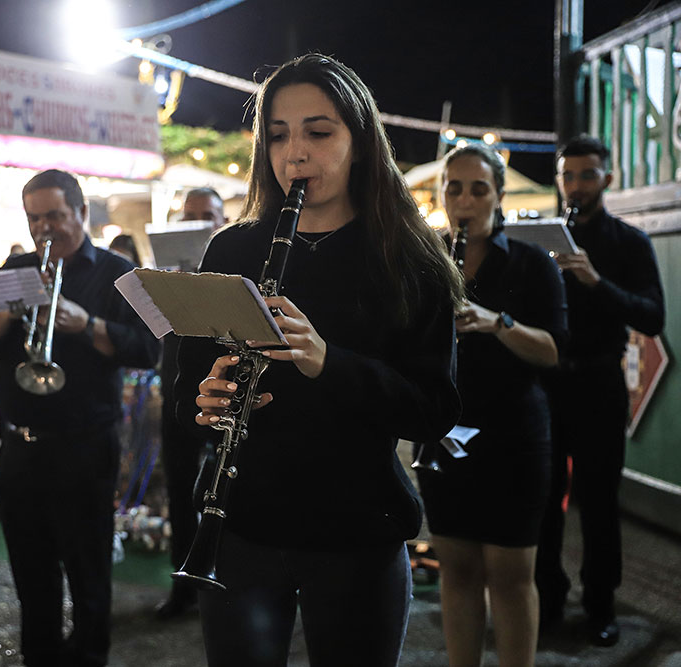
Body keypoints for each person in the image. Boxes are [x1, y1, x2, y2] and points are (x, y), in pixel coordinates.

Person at [173, 53, 464, 666]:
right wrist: (204, 399)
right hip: (244, 527)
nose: (294, 154)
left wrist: (328, 360)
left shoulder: (408, 259)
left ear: (359, 141)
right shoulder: (233, 247)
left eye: (319, 132)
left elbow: (433, 411)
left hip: (357, 530)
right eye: (277, 135)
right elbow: (186, 387)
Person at [0, 168, 159, 666]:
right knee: (31, 574)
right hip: (20, 446)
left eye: (54, 216)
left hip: (86, 445)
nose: (43, 228)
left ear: (82, 213)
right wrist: (6, 313)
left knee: (89, 571)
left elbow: (149, 350)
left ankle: (90, 656)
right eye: (34, 218)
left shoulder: (122, 273)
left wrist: (85, 323)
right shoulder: (15, 267)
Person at [414, 144, 567, 667]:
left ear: (499, 196)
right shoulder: (427, 263)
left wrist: (494, 321)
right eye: (454, 188)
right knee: (456, 572)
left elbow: (551, 352)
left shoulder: (530, 264)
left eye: (479, 189)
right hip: (446, 433)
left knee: (510, 576)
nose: (465, 200)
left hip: (515, 439)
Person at [535, 134, 665, 647]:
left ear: (607, 179)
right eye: (568, 175)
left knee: (598, 501)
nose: (576, 185)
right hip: (548, 384)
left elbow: (652, 317)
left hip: (598, 382)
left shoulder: (630, 243)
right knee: (544, 500)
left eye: (587, 175)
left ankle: (600, 607)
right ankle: (547, 597)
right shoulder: (544, 236)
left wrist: (594, 281)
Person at [154, 187, 229, 621]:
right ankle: (183, 586)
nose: (199, 223)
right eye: (191, 217)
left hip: (225, 396)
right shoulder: (171, 268)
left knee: (226, 494)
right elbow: (157, 333)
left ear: (221, 221)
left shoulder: (238, 264)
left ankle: (225, 583)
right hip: (177, 392)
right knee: (180, 494)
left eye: (207, 216)